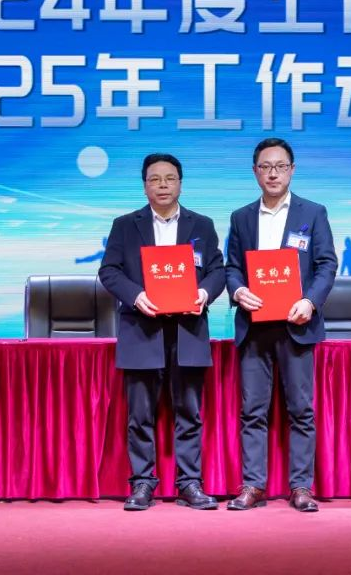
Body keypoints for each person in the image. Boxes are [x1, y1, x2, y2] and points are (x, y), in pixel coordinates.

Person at [98, 153, 225, 511]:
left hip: (188, 330)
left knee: (189, 412)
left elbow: (217, 270)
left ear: (180, 184)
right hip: (142, 329)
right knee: (140, 414)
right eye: (155, 179)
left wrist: (204, 294)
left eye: (170, 178)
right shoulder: (126, 225)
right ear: (145, 186)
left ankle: (189, 483)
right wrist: (136, 296)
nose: (163, 185)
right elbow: (109, 271)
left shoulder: (202, 225)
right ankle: (142, 483)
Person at [224, 138, 337, 513]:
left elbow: (326, 264)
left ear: (292, 170)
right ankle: (253, 485)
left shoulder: (313, 212)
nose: (273, 173)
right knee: (252, 411)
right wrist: (238, 290)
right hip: (255, 326)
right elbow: (232, 267)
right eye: (265, 167)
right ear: (255, 171)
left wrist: (310, 301)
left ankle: (301, 486)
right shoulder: (241, 217)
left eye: (280, 166)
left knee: (301, 410)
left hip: (296, 324)